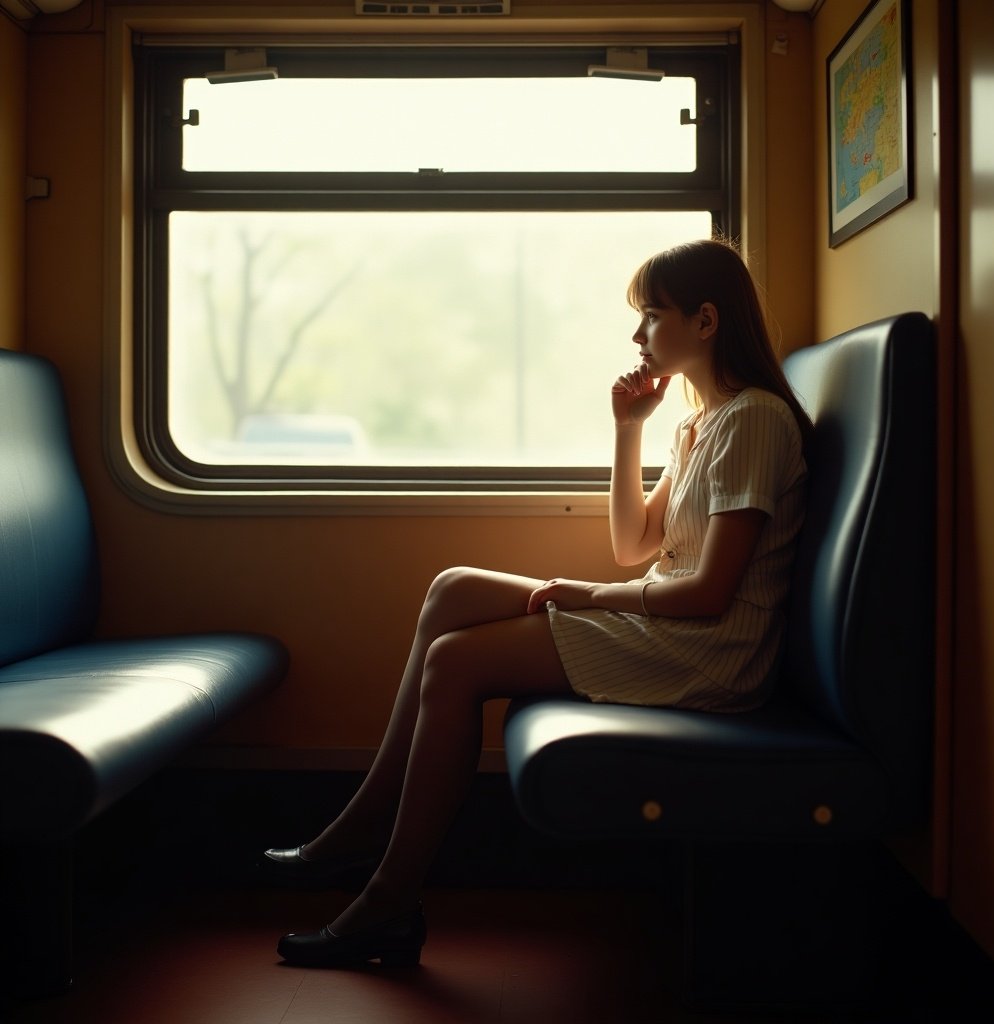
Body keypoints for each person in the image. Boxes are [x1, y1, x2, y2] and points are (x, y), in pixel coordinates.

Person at [269, 237, 812, 968]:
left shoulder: (753, 421)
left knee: (456, 663)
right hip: (679, 623)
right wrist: (628, 432)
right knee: (453, 587)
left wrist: (591, 595)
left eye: (651, 316)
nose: (637, 335)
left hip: (712, 651)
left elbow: (711, 591)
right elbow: (633, 545)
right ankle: (366, 825)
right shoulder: (699, 425)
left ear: (706, 322)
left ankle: (387, 899)